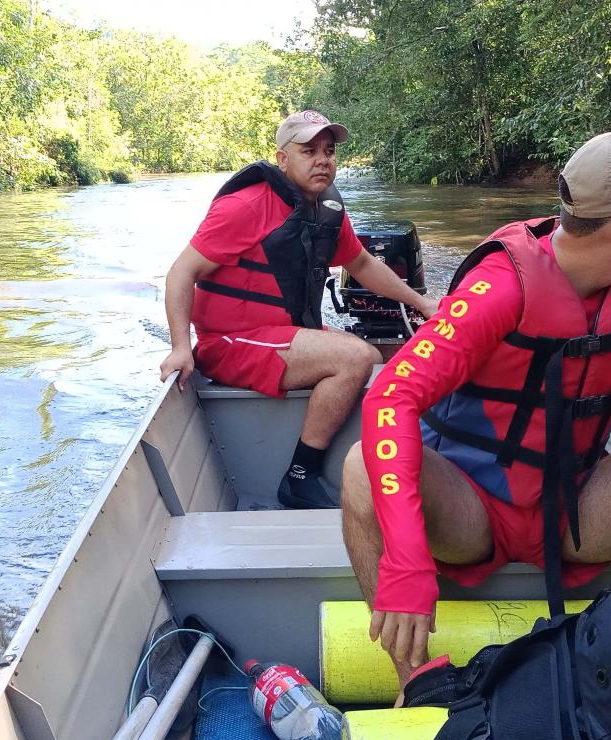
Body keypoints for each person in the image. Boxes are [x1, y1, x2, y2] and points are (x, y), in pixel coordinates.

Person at [341, 129, 611, 695]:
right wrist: (407, 563)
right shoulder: (500, 287)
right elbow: (391, 397)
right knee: (361, 467)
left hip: (575, 506)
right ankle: (416, 682)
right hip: (472, 508)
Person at [159, 110, 437, 510]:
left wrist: (421, 302)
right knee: (354, 356)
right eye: (309, 151)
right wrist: (180, 347)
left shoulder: (327, 209)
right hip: (230, 344)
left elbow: (361, 263)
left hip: (282, 335)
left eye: (329, 151)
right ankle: (300, 475)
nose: (323, 160)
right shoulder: (245, 206)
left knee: (377, 354)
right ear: (283, 159)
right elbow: (181, 273)